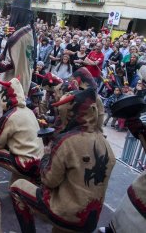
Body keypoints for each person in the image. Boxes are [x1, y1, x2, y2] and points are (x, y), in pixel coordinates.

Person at [10, 88, 116, 233]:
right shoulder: (105, 142)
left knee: (17, 187)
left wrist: (47, 154)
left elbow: (49, 180)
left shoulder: (67, 141)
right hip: (90, 219)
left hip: (68, 215)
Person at [0, 78, 43, 193]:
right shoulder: (29, 111)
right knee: (13, 188)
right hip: (38, 160)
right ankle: (24, 183)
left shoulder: (10, 115)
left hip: (26, 164)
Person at [0, 0, 35, 96]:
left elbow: (10, 63)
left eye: (12, 12)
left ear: (18, 14)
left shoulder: (19, 36)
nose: (10, 16)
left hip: (13, 82)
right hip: (23, 79)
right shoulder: (28, 31)